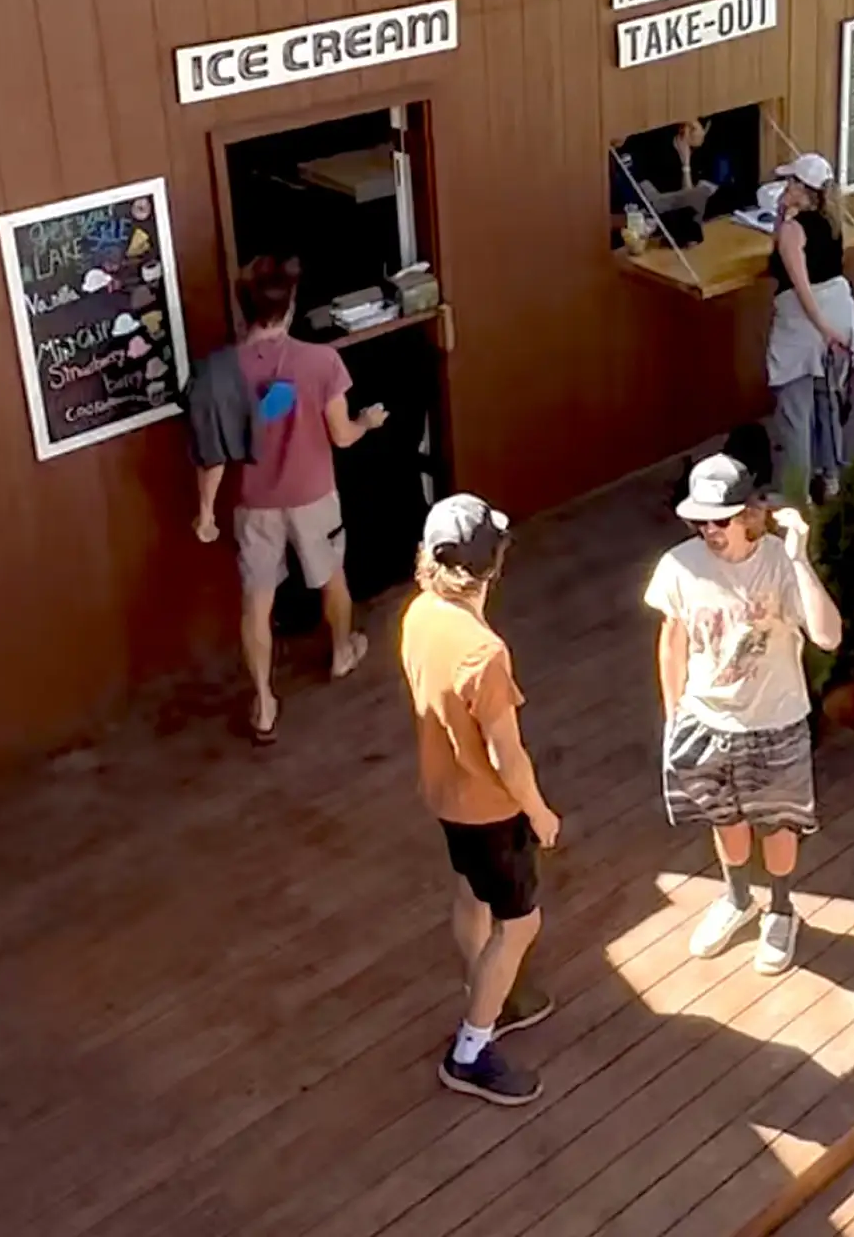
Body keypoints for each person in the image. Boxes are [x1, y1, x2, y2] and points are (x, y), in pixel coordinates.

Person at [644, 453, 843, 976]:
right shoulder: (679, 566)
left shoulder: (778, 562)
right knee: (724, 820)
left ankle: (780, 909)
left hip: (775, 722)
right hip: (706, 723)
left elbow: (828, 635)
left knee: (778, 827)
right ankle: (737, 900)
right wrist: (674, 716)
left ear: (749, 513)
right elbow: (672, 641)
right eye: (701, 519)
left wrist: (800, 558)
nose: (711, 530)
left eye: (722, 518)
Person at [402, 494, 560, 1106]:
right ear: (492, 565)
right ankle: (471, 1049)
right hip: (492, 813)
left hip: (445, 798)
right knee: (521, 924)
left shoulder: (418, 615)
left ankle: (487, 987)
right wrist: (540, 813)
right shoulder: (485, 654)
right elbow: (506, 757)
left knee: (471, 892)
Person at [219, 257, 387, 742]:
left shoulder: (222, 370)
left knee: (256, 602)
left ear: (244, 308)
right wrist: (368, 422)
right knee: (332, 576)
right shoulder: (321, 362)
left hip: (253, 501)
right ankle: (341, 651)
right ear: (290, 307)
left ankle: (264, 702)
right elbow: (343, 437)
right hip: (313, 495)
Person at [765, 152, 854, 500]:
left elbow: (800, 285)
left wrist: (823, 330)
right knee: (828, 399)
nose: (784, 187)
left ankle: (797, 495)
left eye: (790, 182)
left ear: (801, 187)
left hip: (807, 323)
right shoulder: (832, 220)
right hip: (842, 310)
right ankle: (831, 476)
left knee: (795, 410)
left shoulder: (794, 232)